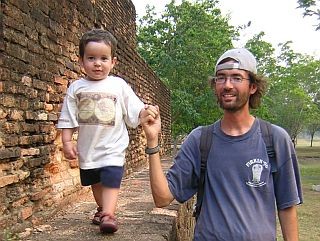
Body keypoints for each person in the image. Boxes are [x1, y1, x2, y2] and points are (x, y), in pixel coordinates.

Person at [140, 48, 303, 241]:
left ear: (253, 87)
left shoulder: (275, 139)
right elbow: (163, 198)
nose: (227, 85)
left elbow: (287, 207)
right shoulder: (200, 140)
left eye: (236, 77)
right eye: (221, 78)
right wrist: (152, 141)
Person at [57, 28, 154, 234]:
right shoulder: (76, 88)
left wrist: (145, 112)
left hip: (113, 147)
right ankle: (102, 209)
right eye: (91, 58)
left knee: (111, 178)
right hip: (88, 148)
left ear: (113, 61)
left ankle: (109, 215)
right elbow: (68, 116)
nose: (97, 63)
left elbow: (133, 108)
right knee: (95, 181)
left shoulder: (118, 85)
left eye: (103, 58)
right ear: (81, 61)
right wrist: (67, 142)